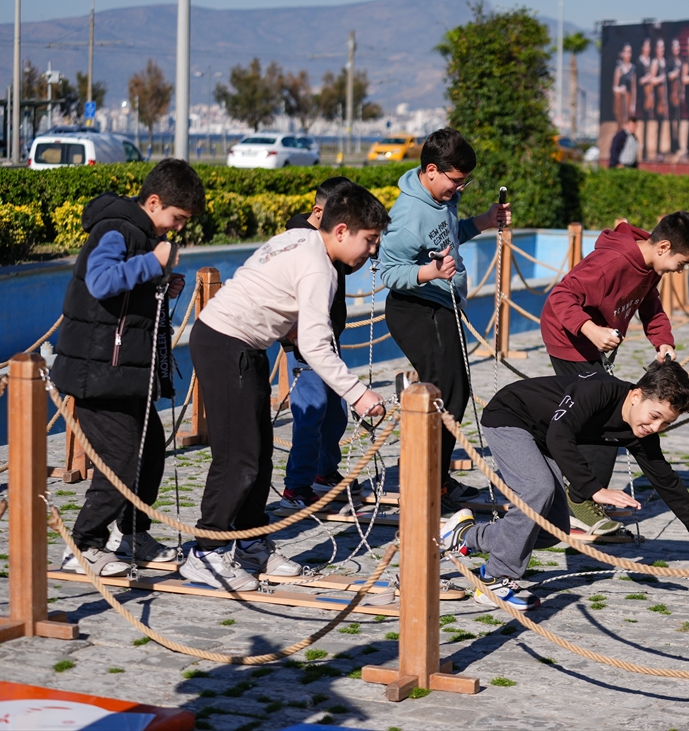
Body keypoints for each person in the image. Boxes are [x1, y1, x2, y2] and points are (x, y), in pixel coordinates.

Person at [182, 186, 390, 591]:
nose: (371, 253)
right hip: (225, 343)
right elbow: (314, 345)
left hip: (244, 345)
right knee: (238, 457)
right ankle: (206, 552)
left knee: (259, 454)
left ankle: (250, 542)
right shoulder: (320, 268)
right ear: (343, 231)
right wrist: (359, 393)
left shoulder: (303, 238)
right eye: (369, 241)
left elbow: (265, 283)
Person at [439, 361, 689, 610]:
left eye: (666, 424)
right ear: (636, 396)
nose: (656, 428)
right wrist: (595, 490)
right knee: (539, 489)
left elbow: (667, 482)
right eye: (655, 416)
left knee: (550, 530)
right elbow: (560, 434)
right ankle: (494, 577)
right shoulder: (601, 390)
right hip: (510, 416)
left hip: (543, 436)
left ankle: (465, 534)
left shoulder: (640, 432)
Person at [51, 159, 205, 577]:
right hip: (98, 373)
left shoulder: (141, 234)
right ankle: (84, 544)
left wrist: (160, 283)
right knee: (120, 459)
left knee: (151, 450)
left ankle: (132, 533)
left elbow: (124, 294)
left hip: (125, 373)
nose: (177, 229)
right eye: (176, 218)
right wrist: (154, 264)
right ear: (153, 202)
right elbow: (101, 282)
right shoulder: (116, 228)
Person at [540, 212, 689, 534]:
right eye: (682, 263)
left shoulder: (649, 268)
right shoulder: (612, 261)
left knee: (600, 412)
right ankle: (578, 503)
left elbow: (650, 308)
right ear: (663, 247)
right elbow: (561, 296)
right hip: (569, 339)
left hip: (592, 343)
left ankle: (578, 492)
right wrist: (590, 330)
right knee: (607, 417)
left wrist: (663, 342)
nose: (680, 271)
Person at [379, 128, 510, 514]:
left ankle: (435, 479)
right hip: (416, 307)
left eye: (464, 182)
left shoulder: (441, 197)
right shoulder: (407, 214)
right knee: (447, 394)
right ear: (432, 170)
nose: (459, 188)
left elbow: (448, 236)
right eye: (456, 181)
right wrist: (430, 273)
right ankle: (425, 482)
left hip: (442, 304)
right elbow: (389, 272)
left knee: (455, 392)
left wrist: (484, 221)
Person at [273, 177, 366, 516]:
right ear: (319, 212)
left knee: (334, 410)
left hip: (327, 335)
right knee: (310, 412)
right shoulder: (297, 242)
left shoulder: (331, 238)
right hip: (303, 340)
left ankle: (323, 473)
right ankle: (296, 487)